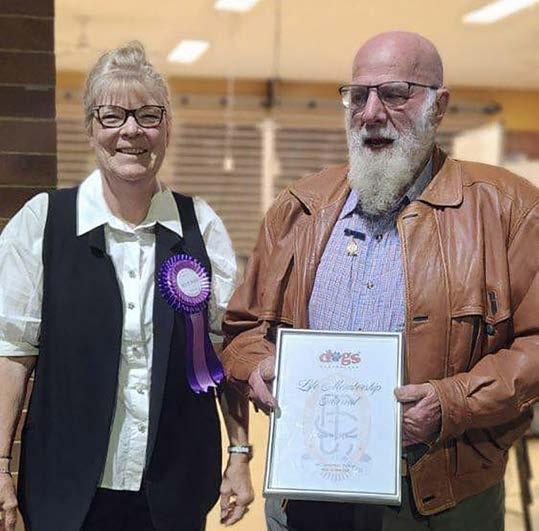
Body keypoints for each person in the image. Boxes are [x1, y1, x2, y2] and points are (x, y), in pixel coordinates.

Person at [220, 30, 539, 531]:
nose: (370, 113)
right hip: (308, 490)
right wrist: (256, 366)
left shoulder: (508, 209)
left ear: (439, 106)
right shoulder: (298, 208)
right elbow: (243, 329)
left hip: (440, 497)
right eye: (358, 95)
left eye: (394, 94)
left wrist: (453, 401)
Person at [0, 41, 253, 531]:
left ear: (167, 128)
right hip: (64, 492)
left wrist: (239, 454)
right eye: (111, 115)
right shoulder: (43, 222)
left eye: (148, 115)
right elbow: (11, 354)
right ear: (90, 127)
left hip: (175, 493)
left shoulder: (201, 225)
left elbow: (227, 351)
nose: (131, 131)